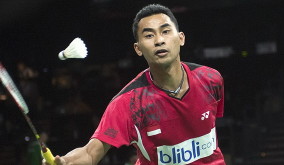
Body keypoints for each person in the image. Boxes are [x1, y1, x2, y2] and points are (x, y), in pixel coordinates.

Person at [43, 3, 226, 165]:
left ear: (181, 38)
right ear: (138, 49)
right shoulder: (128, 103)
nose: (159, 40)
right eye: (149, 35)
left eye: (165, 31)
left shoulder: (211, 79)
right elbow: (91, 153)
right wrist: (66, 162)